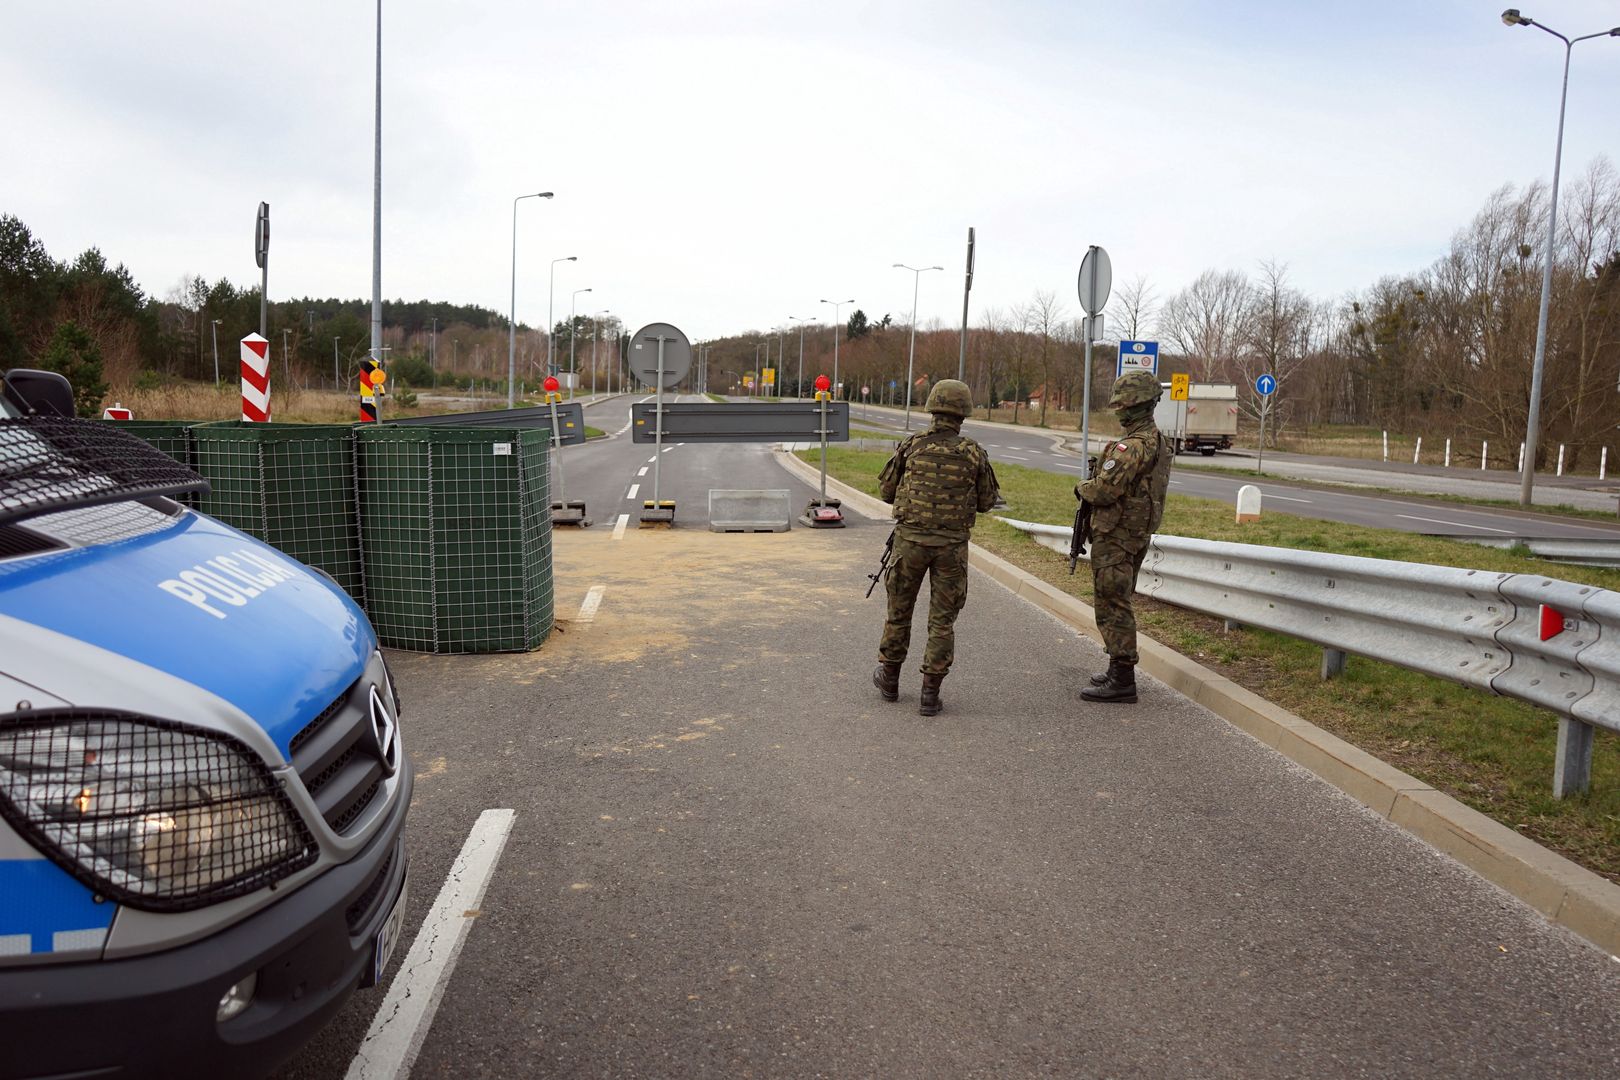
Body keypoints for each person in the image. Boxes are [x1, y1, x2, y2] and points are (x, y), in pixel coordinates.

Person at [873, 379, 1000, 716]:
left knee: (899, 613)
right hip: (951, 550)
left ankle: (889, 679)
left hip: (909, 544)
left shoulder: (911, 445)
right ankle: (930, 693)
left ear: (931, 409)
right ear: (963, 413)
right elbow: (988, 501)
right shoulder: (973, 452)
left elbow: (886, 491)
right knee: (942, 622)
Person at [1076, 369, 1172, 704]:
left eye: (1122, 405)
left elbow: (1103, 491)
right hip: (1134, 532)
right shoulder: (1157, 441)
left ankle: (1122, 678)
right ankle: (1117, 667)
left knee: (1112, 601)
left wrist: (1081, 488)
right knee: (1117, 596)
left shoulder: (1129, 447)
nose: (1117, 411)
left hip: (1117, 535)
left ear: (1134, 406)